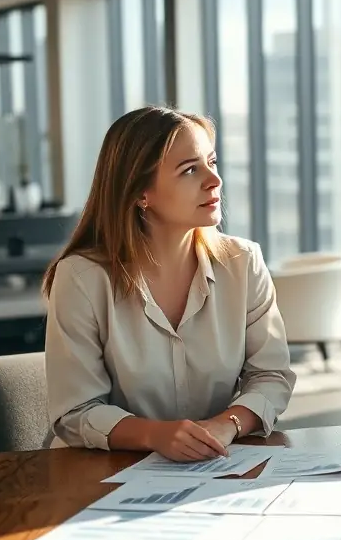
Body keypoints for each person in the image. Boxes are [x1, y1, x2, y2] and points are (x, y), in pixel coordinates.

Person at [42, 106, 296, 461]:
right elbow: (75, 411)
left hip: (215, 467)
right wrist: (157, 435)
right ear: (139, 193)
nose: (214, 180)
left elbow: (272, 375)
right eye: (190, 170)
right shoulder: (82, 279)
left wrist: (227, 424)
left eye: (212, 162)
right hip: (100, 475)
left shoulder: (243, 263)